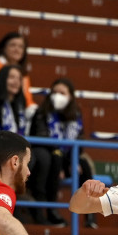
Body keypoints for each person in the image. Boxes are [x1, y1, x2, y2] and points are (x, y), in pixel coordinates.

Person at [27, 78, 94, 227]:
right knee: (54, 158)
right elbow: (40, 136)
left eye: (62, 93)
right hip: (48, 153)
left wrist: (71, 162)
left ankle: (90, 216)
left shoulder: (75, 115)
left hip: (66, 157)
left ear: (70, 96)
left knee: (85, 165)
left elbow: (79, 142)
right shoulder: (42, 112)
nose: (58, 96)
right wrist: (63, 165)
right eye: (55, 92)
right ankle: (51, 210)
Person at [0, 31, 35, 109]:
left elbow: (27, 99)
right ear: (4, 47)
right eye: (13, 45)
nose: (17, 50)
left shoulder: (23, 73)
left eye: (21, 47)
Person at [0, 63, 26, 135]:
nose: (16, 82)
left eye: (19, 79)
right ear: (3, 79)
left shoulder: (20, 104)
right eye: (12, 77)